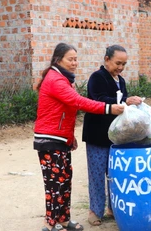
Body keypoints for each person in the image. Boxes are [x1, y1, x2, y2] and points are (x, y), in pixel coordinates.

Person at [33, 43, 125, 231]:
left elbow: (66, 111)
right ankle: (49, 223)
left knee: (65, 178)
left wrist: (69, 136)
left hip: (59, 138)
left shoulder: (63, 79)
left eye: (76, 59)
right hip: (49, 139)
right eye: (70, 59)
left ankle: (64, 219)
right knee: (54, 183)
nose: (75, 63)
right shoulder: (56, 80)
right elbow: (77, 101)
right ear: (59, 60)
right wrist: (109, 108)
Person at [81, 45, 142, 226]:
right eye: (117, 63)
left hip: (116, 137)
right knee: (97, 174)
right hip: (97, 135)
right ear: (106, 60)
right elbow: (97, 100)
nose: (120, 67)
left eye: (124, 64)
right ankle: (95, 211)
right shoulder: (96, 78)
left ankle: (113, 208)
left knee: (115, 174)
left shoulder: (121, 81)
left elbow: (123, 106)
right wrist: (124, 101)